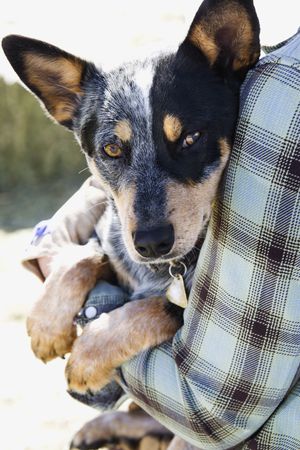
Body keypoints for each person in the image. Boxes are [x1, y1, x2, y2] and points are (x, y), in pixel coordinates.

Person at [23, 30, 300, 449]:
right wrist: (66, 261)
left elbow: (215, 408)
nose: (150, 228)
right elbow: (99, 187)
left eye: (187, 142)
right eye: (114, 151)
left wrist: (110, 317)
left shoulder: (283, 89)